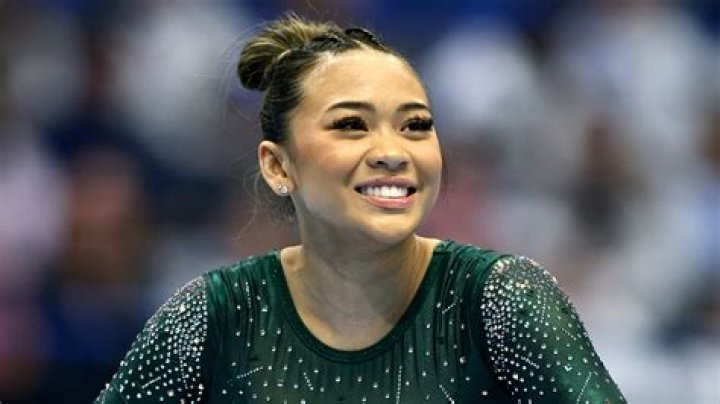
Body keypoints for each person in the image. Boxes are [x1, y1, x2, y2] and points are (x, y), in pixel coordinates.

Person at [95, 14, 625, 403]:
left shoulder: (500, 301)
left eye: (416, 125)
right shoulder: (215, 317)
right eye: (351, 124)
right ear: (279, 166)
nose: (394, 151)